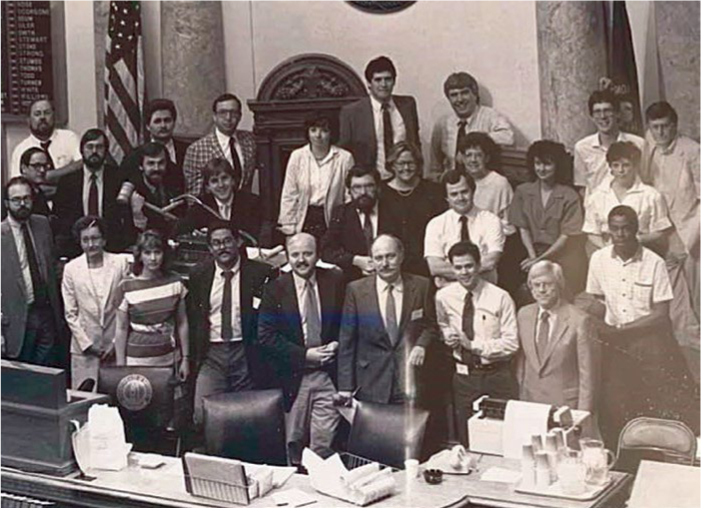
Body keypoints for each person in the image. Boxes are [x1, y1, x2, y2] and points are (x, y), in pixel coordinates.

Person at [586, 205, 699, 447]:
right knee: (616, 404)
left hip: (649, 343)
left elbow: (660, 315)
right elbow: (598, 302)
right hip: (615, 345)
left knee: (658, 402)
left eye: (626, 229)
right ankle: (623, 462)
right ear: (608, 231)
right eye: (615, 229)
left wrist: (620, 331)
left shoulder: (654, 263)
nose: (620, 234)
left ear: (636, 230)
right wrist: (588, 321)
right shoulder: (598, 260)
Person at [257, 233, 345, 465]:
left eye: (307, 253)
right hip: (295, 378)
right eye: (295, 255)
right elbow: (265, 336)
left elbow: (346, 323)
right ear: (287, 257)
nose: (301, 260)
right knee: (293, 444)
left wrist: (336, 343)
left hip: (328, 376)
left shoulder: (334, 280)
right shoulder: (275, 288)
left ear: (317, 255)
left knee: (323, 447)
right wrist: (304, 355)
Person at [187, 221, 273, 426]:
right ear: (209, 248)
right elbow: (193, 318)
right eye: (216, 243)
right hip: (212, 355)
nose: (222, 247)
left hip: (245, 352)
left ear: (238, 242)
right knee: (202, 415)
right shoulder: (199, 274)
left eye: (227, 241)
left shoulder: (260, 273)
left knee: (248, 416)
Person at [337, 235, 437, 405]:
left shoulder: (421, 286)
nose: (385, 263)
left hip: (409, 380)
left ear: (401, 256)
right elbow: (347, 340)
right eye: (379, 258)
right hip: (371, 382)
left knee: (409, 431)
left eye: (390, 256)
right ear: (372, 261)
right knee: (374, 431)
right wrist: (345, 387)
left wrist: (421, 344)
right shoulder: (356, 290)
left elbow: (431, 325)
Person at [435, 241, 519, 446]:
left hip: (497, 376)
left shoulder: (501, 297)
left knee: (501, 437)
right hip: (464, 378)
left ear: (479, 265)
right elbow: (442, 323)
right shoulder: (443, 297)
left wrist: (473, 345)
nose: (464, 272)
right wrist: (447, 335)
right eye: (458, 267)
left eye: (469, 266)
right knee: (467, 438)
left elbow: (511, 344)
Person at [641, 101, 700, 379]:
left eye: (665, 126)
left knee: (693, 307)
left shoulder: (692, 151)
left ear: (675, 125)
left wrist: (685, 239)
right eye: (655, 127)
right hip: (660, 235)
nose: (661, 132)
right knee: (675, 309)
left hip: (690, 238)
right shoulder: (649, 147)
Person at [516, 261, 599, 412]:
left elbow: (587, 375)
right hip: (530, 401)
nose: (542, 290)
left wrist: (582, 415)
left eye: (547, 284)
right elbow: (522, 361)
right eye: (536, 284)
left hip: (565, 407)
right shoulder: (523, 314)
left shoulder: (580, 320)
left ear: (559, 285)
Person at [509, 140, 586, 297]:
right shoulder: (522, 191)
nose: (541, 169)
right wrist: (532, 256)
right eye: (537, 163)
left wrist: (540, 260)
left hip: (562, 254)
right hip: (531, 250)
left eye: (547, 164)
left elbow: (566, 236)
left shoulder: (570, 195)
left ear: (557, 165)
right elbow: (523, 227)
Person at [61, 216, 130, 390]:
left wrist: (116, 343)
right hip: (84, 350)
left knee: (114, 398)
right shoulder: (71, 269)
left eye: (95, 238)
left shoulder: (120, 263)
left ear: (104, 239)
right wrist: (87, 345)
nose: (91, 244)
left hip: (115, 347)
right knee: (85, 400)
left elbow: (126, 303)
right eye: (86, 240)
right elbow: (70, 313)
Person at [1, 177, 63, 366]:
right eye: (16, 199)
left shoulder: (42, 224)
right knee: (24, 380)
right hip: (17, 318)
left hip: (46, 313)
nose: (22, 204)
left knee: (48, 375)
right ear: (6, 203)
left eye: (27, 198)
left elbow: (51, 266)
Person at [114, 230, 189, 376]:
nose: (153, 258)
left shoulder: (175, 282)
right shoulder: (126, 286)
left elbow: (182, 323)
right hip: (137, 361)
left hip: (169, 358)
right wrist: (121, 366)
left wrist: (185, 359)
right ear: (140, 256)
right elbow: (121, 329)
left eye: (157, 252)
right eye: (147, 253)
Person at [339, 56, 420, 180]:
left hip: (404, 179)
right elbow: (344, 153)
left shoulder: (407, 105)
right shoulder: (352, 112)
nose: (383, 84)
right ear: (369, 83)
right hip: (370, 183)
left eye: (388, 79)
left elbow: (415, 144)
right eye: (378, 80)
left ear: (394, 81)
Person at [583, 142, 671, 255]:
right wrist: (607, 249)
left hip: (641, 252)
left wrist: (634, 241)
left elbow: (660, 231)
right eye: (615, 165)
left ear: (635, 166)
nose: (621, 170)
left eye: (626, 165)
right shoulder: (597, 196)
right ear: (610, 167)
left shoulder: (651, 195)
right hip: (606, 252)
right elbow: (592, 231)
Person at [53, 128, 129, 257]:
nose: (94, 151)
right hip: (75, 249)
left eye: (99, 147)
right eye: (90, 147)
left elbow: (125, 216)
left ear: (106, 151)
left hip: (112, 248)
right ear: (82, 150)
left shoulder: (118, 178)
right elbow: (59, 218)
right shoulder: (67, 182)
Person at [278, 113, 354, 240]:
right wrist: (289, 229)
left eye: (324, 131)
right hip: (304, 217)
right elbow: (289, 195)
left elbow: (349, 195)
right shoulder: (297, 156)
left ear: (332, 133)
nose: (318, 135)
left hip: (334, 219)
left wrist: (346, 225)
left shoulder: (345, 158)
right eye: (313, 130)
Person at [424, 171, 504, 287]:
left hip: (484, 289)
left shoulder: (491, 221)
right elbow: (435, 267)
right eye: (454, 194)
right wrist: (476, 270)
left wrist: (449, 276)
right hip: (449, 294)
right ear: (447, 198)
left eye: (464, 192)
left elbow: (491, 262)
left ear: (473, 191)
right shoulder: (436, 224)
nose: (460, 198)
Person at [430, 72, 514, 178]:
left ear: (475, 95)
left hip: (482, 183)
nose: (460, 99)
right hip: (453, 187)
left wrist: (475, 141)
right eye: (454, 95)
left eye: (464, 93)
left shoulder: (490, 116)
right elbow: (435, 165)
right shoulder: (442, 124)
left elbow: (508, 137)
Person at [381, 141, 445, 276]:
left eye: (411, 163)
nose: (406, 167)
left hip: (425, 261)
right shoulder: (381, 191)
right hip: (391, 262)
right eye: (401, 163)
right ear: (392, 165)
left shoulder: (433, 190)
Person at [321, 166, 392, 282]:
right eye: (357, 187)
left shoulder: (393, 211)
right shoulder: (341, 213)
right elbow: (326, 251)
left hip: (390, 276)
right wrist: (355, 260)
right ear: (349, 191)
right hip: (353, 280)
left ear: (378, 187)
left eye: (369, 186)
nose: (363, 192)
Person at [573, 89, 644, 198]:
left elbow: (646, 179)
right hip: (597, 210)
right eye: (597, 112)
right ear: (591, 117)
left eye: (607, 110)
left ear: (617, 113)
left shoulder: (638, 144)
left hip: (630, 207)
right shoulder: (582, 148)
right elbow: (582, 187)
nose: (603, 116)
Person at [183, 93, 257, 196]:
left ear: (240, 116)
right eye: (222, 113)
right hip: (212, 208)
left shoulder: (250, 140)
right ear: (214, 117)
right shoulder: (197, 149)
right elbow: (193, 193)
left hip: (244, 206)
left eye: (233, 112)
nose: (228, 118)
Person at [179, 157, 262, 242]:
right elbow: (179, 233)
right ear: (208, 187)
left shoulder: (252, 203)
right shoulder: (200, 207)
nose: (221, 185)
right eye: (214, 181)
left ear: (233, 180)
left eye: (224, 178)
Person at [120, 99, 190, 195]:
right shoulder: (133, 157)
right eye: (157, 121)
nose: (163, 126)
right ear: (148, 126)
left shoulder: (189, 151)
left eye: (167, 120)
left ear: (174, 123)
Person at [9, 99, 82, 189]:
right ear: (28, 120)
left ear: (54, 116)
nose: (42, 117)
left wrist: (53, 175)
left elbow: (82, 163)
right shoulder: (20, 149)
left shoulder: (69, 138)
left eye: (47, 113)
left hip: (68, 196)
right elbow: (17, 184)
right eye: (37, 114)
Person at [129, 142, 184, 236]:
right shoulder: (133, 190)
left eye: (161, 163)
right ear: (141, 166)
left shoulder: (174, 184)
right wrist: (137, 213)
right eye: (151, 163)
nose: (156, 168)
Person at [18, 147, 52, 216]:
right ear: (24, 168)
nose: (42, 170)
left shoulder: (38, 191)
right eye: (36, 166)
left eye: (45, 166)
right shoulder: (18, 192)